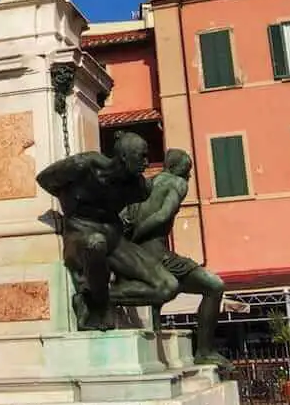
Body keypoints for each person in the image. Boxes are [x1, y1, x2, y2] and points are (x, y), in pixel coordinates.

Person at [36, 132, 179, 331]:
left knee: (167, 287)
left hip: (115, 240)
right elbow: (44, 179)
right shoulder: (84, 166)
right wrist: (67, 200)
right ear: (124, 157)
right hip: (81, 234)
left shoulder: (138, 188)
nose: (146, 163)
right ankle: (98, 308)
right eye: (142, 156)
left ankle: (94, 297)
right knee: (96, 242)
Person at [118, 148, 231, 367]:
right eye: (187, 169)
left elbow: (123, 218)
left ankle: (157, 329)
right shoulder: (177, 183)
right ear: (174, 168)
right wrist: (139, 233)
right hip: (159, 257)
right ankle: (205, 351)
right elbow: (163, 215)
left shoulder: (143, 187)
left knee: (166, 291)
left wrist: (130, 240)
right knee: (214, 286)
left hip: (136, 258)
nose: (189, 175)